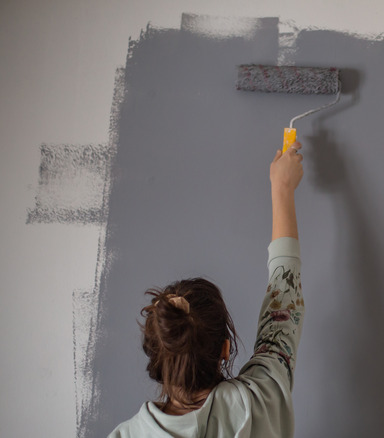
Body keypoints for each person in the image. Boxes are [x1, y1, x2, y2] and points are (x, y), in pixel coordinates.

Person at [109, 142, 306, 437]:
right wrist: (282, 188)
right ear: (225, 350)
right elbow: (283, 307)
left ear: (156, 354)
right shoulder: (256, 401)